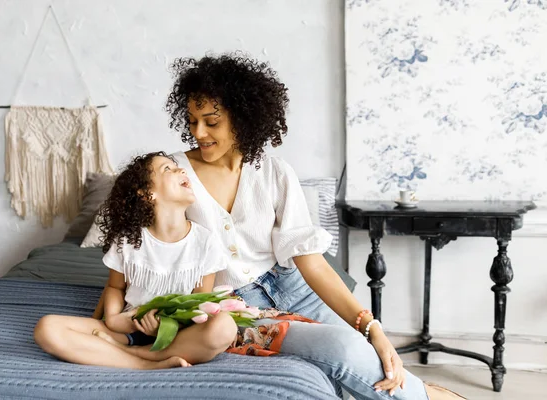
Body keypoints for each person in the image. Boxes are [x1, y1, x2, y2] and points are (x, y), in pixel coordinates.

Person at [161, 53, 465, 400]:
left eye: (211, 122)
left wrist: (372, 327)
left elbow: (312, 263)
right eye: (192, 121)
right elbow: (151, 247)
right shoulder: (173, 175)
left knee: (380, 360)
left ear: (242, 118)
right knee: (346, 353)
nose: (198, 132)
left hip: (293, 285)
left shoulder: (275, 172)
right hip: (235, 307)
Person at [34, 152, 238, 369]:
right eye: (167, 169)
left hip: (178, 336)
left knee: (225, 327)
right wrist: (114, 319)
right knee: (47, 328)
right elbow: (115, 286)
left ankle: (132, 354)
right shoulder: (129, 241)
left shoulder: (206, 243)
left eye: (177, 167)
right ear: (148, 194)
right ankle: (143, 363)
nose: (181, 170)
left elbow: (200, 303)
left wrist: (165, 326)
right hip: (128, 329)